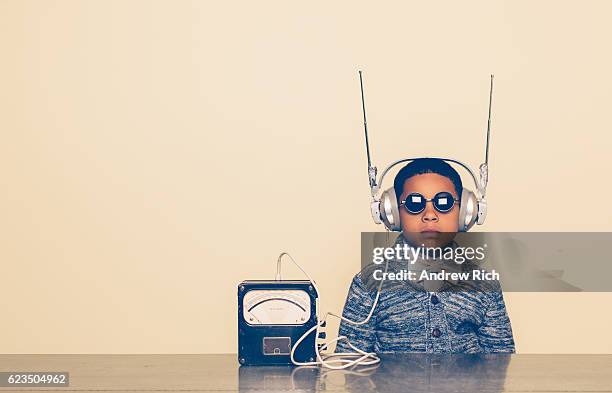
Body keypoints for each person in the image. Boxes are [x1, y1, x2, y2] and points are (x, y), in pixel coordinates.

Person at [335, 158, 515, 354]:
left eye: (444, 203)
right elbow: (349, 366)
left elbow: (501, 366)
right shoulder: (368, 284)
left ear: (465, 212)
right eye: (414, 204)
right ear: (393, 213)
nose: (430, 215)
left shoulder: (484, 285)